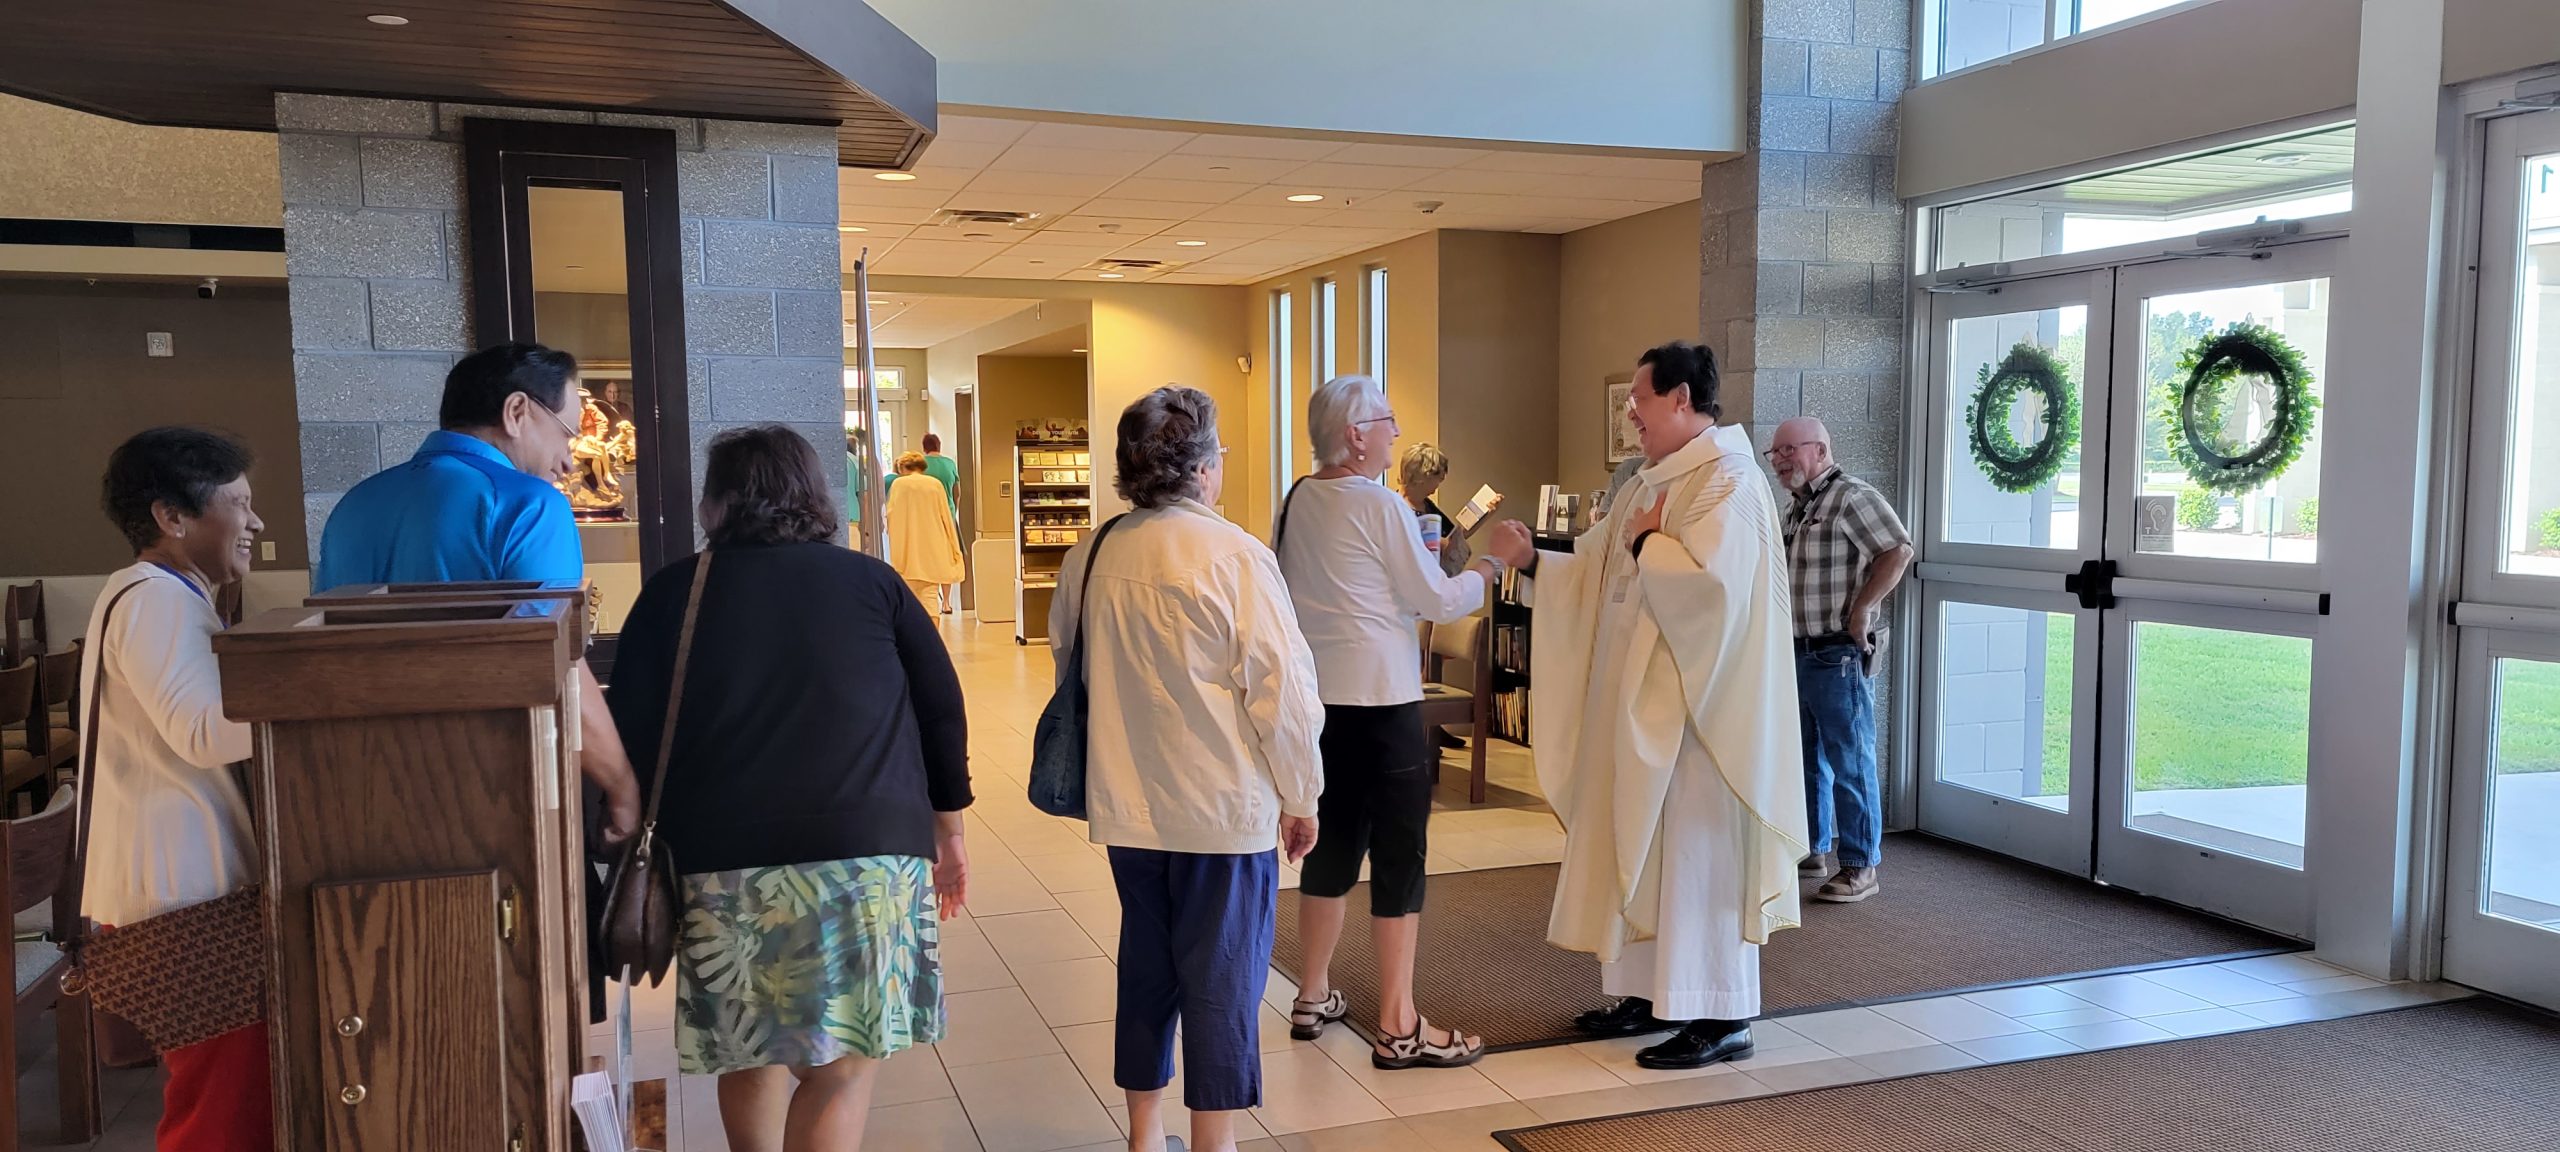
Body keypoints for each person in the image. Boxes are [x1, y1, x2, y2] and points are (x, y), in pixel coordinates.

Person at [606, 425, 971, 1152]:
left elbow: (632, 725)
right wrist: (950, 830)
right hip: (867, 854)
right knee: (842, 1066)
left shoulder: (676, 591)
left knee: (750, 1049)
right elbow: (941, 708)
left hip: (722, 861)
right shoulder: (872, 583)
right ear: (817, 496)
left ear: (715, 504)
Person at [1486, 340, 1810, 1071]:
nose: (1631, 413)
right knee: (1638, 847)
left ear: (1681, 398)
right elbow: (1599, 565)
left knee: (1698, 861)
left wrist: (1649, 543)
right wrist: (1534, 561)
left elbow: (1713, 593)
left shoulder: (1730, 481)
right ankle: (1647, 992)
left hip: (1700, 719)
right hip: (1639, 711)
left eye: (1639, 400)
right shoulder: (1648, 483)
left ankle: (1722, 1012)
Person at [1050, 386, 1323, 1152]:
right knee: (1223, 980)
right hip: (1221, 811)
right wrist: (1301, 795)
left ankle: (1145, 1135)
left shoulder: (1092, 553)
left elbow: (1067, 662)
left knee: (1147, 966)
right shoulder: (1236, 556)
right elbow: (1284, 697)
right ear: (1201, 467)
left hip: (1128, 803)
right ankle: (1215, 1141)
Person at [312, 342, 640, 843]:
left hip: (360, 793)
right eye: (567, 434)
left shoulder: (353, 506)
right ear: (517, 411)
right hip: (490, 795)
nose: (569, 463)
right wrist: (621, 785)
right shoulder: (528, 505)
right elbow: (556, 667)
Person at [1276, 378, 1495, 1068]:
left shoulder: (1297, 500)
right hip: (1385, 704)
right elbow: (1437, 599)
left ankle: (1312, 992)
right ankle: (1400, 1024)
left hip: (1324, 707)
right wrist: (1492, 566)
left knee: (1332, 847)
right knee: (1400, 858)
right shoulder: (1379, 506)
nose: (1396, 434)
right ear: (1355, 434)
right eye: (1387, 421)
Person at [84, 427, 274, 1149]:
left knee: (227, 1102)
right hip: (181, 898)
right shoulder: (154, 599)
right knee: (219, 1116)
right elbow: (202, 732)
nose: (256, 522)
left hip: (182, 893)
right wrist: (322, 695)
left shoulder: (158, 594)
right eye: (240, 504)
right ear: (172, 516)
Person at [1768, 417, 1912, 903]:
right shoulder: (1796, 507)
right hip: (1797, 649)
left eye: (1789, 450)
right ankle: (1813, 849)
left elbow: (1898, 550)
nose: (1780, 460)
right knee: (1805, 758)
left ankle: (1860, 866)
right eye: (1774, 453)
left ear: (1821, 449)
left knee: (1849, 758)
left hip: (1837, 652)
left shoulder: (1851, 497)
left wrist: (1864, 608)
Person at [1394, 443, 1498, 578]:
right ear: (1424, 476)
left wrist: (1485, 514)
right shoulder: (1395, 509)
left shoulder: (1427, 506)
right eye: (1438, 478)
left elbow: (1455, 538)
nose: (1439, 484)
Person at [887, 451, 965, 613]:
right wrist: (954, 549)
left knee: (910, 603)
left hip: (907, 553)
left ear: (903, 467)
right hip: (932, 550)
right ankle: (933, 629)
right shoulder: (935, 485)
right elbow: (947, 518)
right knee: (930, 599)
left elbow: (891, 517)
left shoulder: (898, 485)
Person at [920, 432, 961, 516]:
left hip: (928, 514)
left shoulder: (920, 464)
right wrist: (953, 511)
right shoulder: (950, 463)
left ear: (924, 448)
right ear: (939, 446)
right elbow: (957, 493)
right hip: (948, 511)